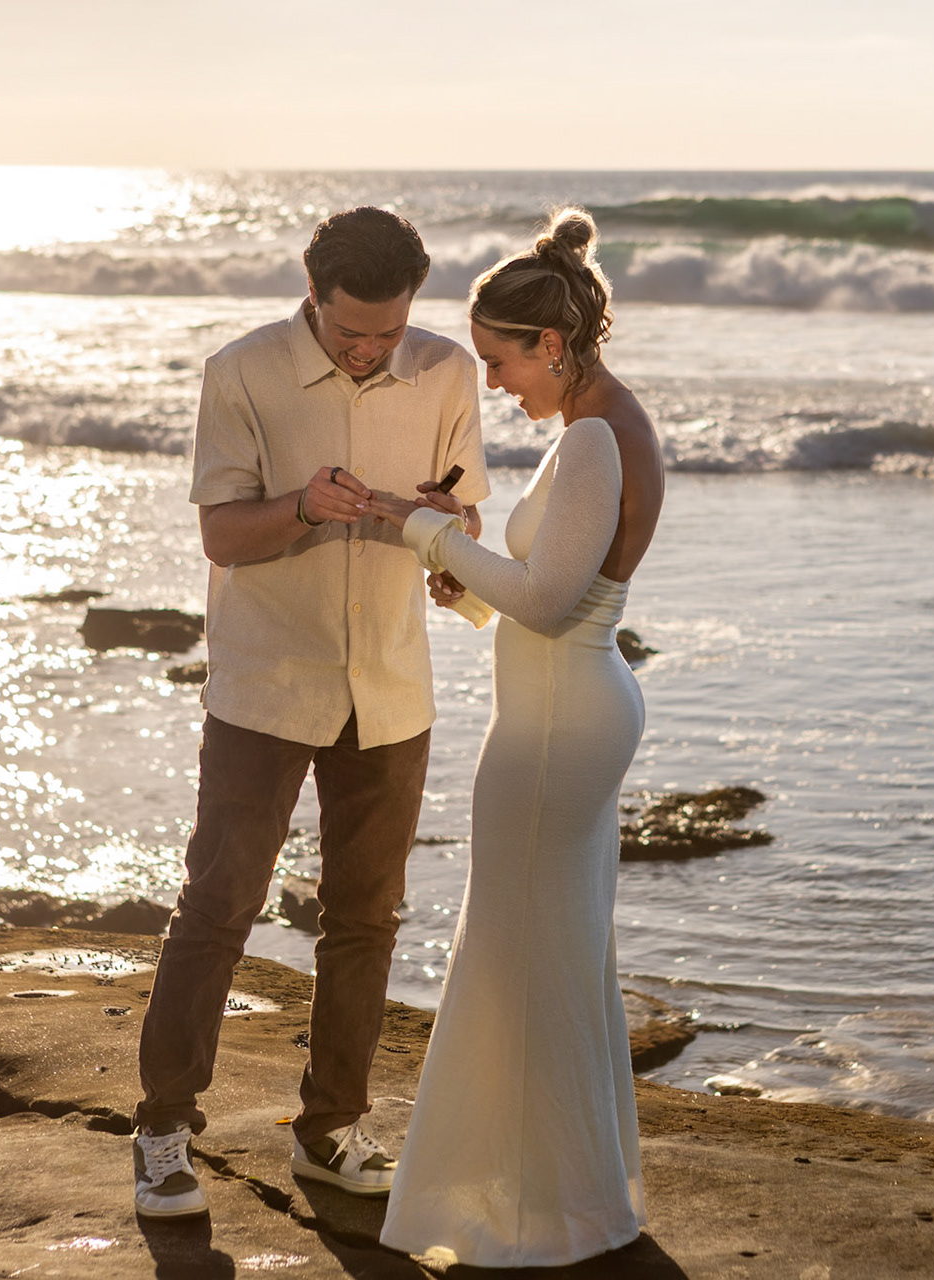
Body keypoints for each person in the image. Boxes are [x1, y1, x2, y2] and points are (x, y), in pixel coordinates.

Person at [131, 207, 490, 1218]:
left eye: (389, 331)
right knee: (219, 904)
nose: (374, 350)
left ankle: (331, 1127)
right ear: (313, 293)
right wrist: (301, 507)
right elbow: (222, 534)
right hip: (266, 685)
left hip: (390, 686)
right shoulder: (241, 371)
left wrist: (439, 531)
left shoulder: (448, 372)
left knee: (366, 917)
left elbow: (462, 515)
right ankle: (163, 1125)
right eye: (352, 333)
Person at [364, 208, 665, 1268]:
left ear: (552, 344)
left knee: (521, 956)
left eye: (499, 360)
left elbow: (546, 603)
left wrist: (419, 526)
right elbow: (550, 598)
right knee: (553, 949)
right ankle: (567, 1193)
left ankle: (545, 1213)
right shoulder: (602, 424)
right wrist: (466, 592)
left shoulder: (592, 438)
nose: (493, 384)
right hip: (570, 705)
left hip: (553, 728)